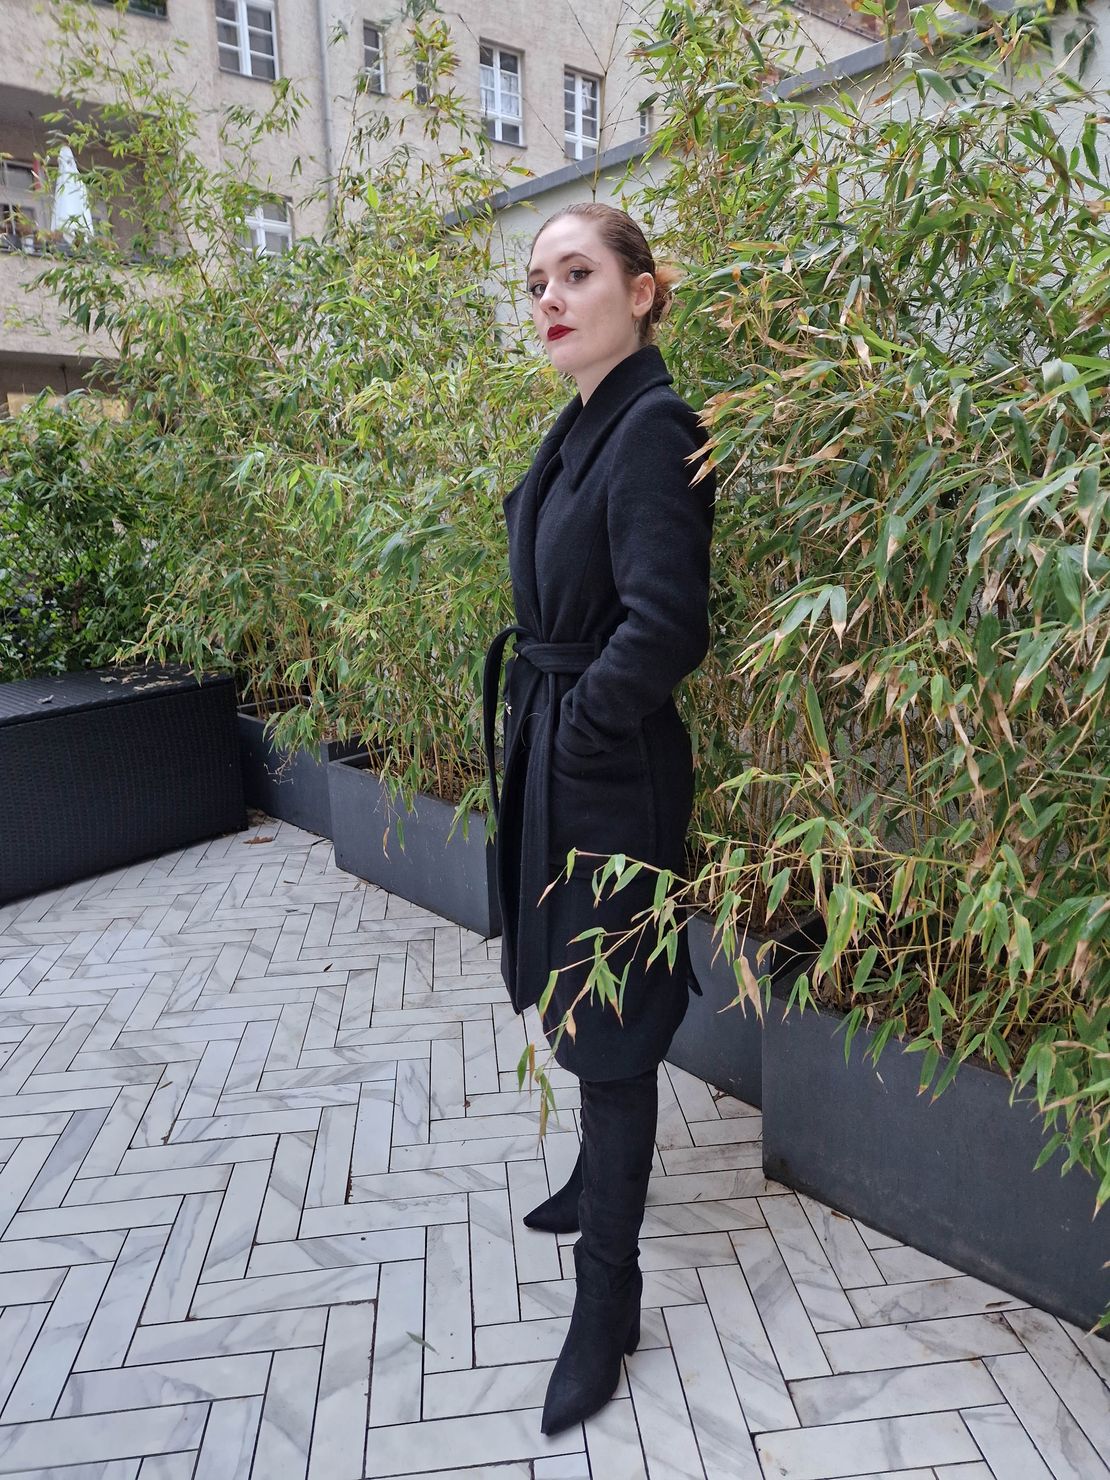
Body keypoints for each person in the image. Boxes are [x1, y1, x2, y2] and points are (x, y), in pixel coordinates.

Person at [481, 202, 716, 1435]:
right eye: (537, 282)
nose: (550, 299)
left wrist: (575, 732)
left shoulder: (652, 425)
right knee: (579, 987)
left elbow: (668, 622)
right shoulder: (585, 419)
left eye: (577, 273)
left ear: (643, 289)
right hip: (567, 744)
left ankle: (608, 1297)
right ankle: (593, 1173)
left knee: (615, 1023)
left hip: (611, 767)